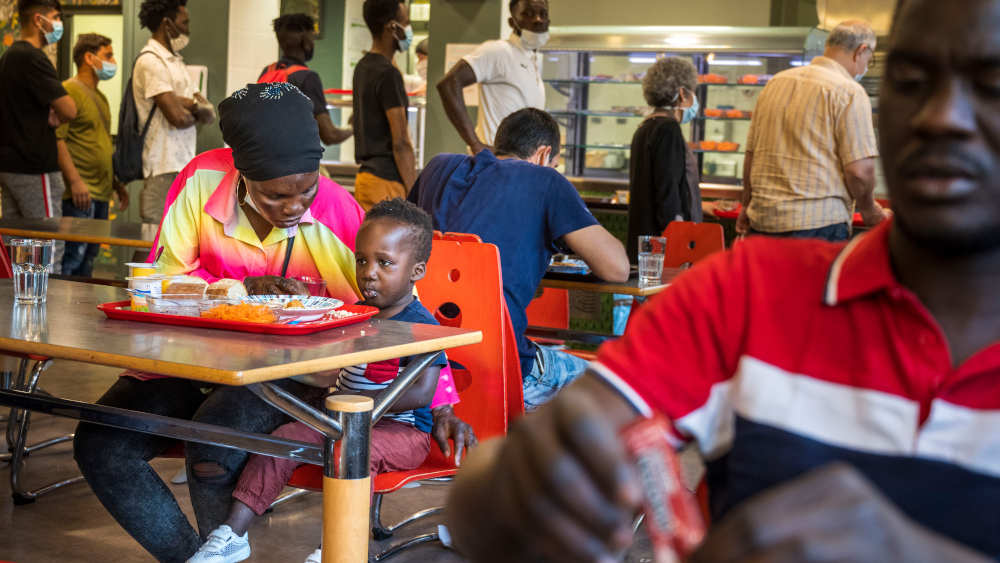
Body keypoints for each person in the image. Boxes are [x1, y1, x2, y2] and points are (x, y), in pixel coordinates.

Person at [443, 0, 1000, 560]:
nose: (941, 116)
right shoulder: (750, 295)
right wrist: (521, 481)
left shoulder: (451, 171)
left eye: (991, 82)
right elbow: (479, 507)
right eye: (909, 80)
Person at [73, 83, 470, 563]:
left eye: (307, 188)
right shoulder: (201, 182)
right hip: (190, 361)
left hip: (284, 379)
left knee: (214, 447)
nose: (296, 206)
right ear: (241, 172)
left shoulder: (337, 212)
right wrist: (238, 292)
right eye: (276, 195)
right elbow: (162, 282)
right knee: (101, 443)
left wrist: (444, 403)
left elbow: (405, 316)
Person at [188, 199, 473, 563]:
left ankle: (342, 547)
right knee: (281, 440)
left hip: (402, 432)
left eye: (384, 263)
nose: (369, 272)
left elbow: (424, 389)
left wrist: (359, 408)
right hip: (344, 422)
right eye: (362, 260)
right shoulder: (355, 314)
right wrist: (307, 311)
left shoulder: (420, 327)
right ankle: (233, 534)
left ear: (416, 270)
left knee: (355, 452)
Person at [409, 108, 630, 409]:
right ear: (544, 154)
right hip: (501, 366)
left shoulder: (438, 167)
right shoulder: (546, 181)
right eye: (554, 163)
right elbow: (616, 268)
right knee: (616, 386)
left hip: (420, 361)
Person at [736, 20, 888, 242]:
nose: (866, 66)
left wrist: (746, 206)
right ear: (861, 51)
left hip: (763, 222)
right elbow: (859, 171)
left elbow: (751, 156)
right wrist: (869, 211)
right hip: (817, 226)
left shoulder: (774, 84)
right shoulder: (849, 92)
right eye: (869, 59)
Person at [0, 0, 75, 272]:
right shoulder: (33, 57)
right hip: (35, 167)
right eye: (55, 17)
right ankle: (48, 309)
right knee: (47, 244)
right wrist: (57, 111)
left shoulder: (8, 57)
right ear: (38, 20)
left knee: (14, 247)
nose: (58, 24)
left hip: (9, 166)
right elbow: (69, 108)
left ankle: (12, 307)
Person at [134, 0, 213, 224]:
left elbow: (208, 111)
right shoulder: (151, 60)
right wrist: (189, 107)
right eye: (184, 22)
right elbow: (178, 118)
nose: (188, 29)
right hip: (162, 165)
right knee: (151, 242)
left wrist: (184, 102)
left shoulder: (176, 62)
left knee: (174, 243)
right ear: (167, 23)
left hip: (182, 163)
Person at [57, 33, 130, 277]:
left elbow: (101, 144)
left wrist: (116, 185)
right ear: (89, 58)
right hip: (80, 194)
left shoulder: (100, 97)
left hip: (101, 193)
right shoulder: (69, 91)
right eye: (107, 55)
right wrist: (76, 182)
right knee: (72, 258)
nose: (113, 61)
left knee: (89, 259)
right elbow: (59, 140)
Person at [437, 0, 548, 153]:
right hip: (497, 162)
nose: (538, 20)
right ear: (512, 21)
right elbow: (448, 85)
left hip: (521, 162)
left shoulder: (533, 60)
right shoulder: (498, 51)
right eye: (528, 13)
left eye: (543, 14)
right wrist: (475, 144)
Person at [627, 56, 703, 261]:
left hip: (643, 238)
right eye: (692, 91)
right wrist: (676, 235)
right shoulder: (668, 129)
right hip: (662, 243)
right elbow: (668, 189)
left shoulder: (645, 127)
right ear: (681, 93)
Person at [351, 0, 416, 211]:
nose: (408, 30)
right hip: (387, 182)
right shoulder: (388, 74)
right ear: (392, 27)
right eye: (405, 22)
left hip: (366, 179)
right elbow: (401, 142)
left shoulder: (363, 67)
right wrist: (415, 191)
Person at [259, 13, 352, 146]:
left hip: (261, 160)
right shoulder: (307, 78)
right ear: (306, 41)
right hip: (292, 163)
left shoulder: (267, 72)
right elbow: (330, 135)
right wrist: (352, 128)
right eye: (312, 38)